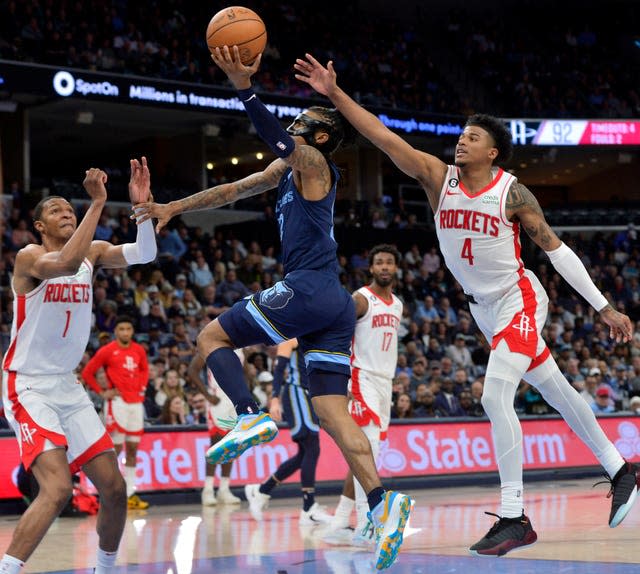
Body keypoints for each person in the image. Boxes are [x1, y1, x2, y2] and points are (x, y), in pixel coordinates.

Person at [294, 55, 638, 556]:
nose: (461, 140)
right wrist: (335, 95)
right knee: (559, 391)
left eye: (472, 137)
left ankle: (515, 515)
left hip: (518, 298)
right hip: (483, 310)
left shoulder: (512, 193)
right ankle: (621, 469)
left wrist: (603, 307)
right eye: (461, 134)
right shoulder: (438, 177)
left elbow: (555, 249)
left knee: (495, 395)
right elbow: (383, 137)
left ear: (493, 152)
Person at [135, 46, 411, 570]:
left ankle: (247, 415)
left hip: (307, 288)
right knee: (332, 412)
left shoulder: (314, 163)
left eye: (304, 120)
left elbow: (277, 136)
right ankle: (382, 504)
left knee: (211, 338)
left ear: (321, 135)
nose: (294, 121)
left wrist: (244, 86)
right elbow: (233, 189)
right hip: (330, 303)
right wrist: (173, 206)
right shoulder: (286, 168)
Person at [0, 158, 156, 574]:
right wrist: (99, 203)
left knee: (115, 487)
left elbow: (145, 253)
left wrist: (141, 210)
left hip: (67, 387)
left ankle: (103, 570)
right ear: (39, 226)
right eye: (55, 210)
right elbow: (65, 265)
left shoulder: (94, 253)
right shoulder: (29, 257)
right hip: (27, 384)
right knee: (56, 489)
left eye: (70, 207)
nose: (66, 211)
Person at [328, 245, 404, 545]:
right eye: (379, 263)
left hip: (385, 383)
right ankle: (365, 524)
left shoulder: (397, 304)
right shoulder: (360, 299)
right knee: (367, 449)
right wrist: (344, 382)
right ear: (371, 268)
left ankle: (338, 522)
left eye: (389, 262)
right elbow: (338, 335)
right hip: (361, 379)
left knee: (364, 456)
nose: (384, 267)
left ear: (395, 268)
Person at [245, 338, 333, 525]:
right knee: (312, 447)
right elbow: (279, 370)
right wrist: (275, 398)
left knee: (304, 454)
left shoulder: (313, 335)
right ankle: (308, 508)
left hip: (308, 395)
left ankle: (261, 491)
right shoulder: (292, 338)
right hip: (296, 394)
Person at [81, 315, 150, 510]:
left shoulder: (139, 350)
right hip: (117, 403)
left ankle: (130, 493)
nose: (125, 332)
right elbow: (87, 372)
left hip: (136, 403)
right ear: (116, 332)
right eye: (122, 329)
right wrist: (103, 392)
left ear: (132, 331)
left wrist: (142, 388)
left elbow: (145, 370)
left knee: (133, 449)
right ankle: (109, 491)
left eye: (128, 329)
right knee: (115, 450)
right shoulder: (107, 351)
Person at [185, 352, 242, 507]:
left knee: (232, 446)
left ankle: (224, 489)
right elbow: (192, 370)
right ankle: (208, 490)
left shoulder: (243, 345)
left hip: (234, 402)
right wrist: (207, 395)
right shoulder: (211, 342)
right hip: (218, 401)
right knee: (216, 446)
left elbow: (245, 373)